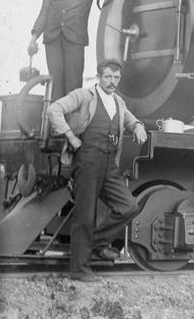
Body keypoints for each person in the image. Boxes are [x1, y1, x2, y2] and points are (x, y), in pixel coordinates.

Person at [46, 58, 148, 282]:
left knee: (129, 207)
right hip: (87, 159)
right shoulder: (84, 95)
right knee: (85, 215)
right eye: (108, 77)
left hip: (110, 163)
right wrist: (71, 136)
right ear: (100, 77)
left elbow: (130, 120)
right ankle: (79, 270)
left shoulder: (119, 102)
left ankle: (93, 243)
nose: (112, 81)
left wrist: (138, 125)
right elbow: (54, 110)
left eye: (116, 77)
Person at [27, 0, 140, 101]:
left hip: (75, 40)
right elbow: (43, 13)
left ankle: (72, 124)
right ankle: (55, 124)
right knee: (55, 84)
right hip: (52, 39)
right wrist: (33, 38)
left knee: (73, 84)